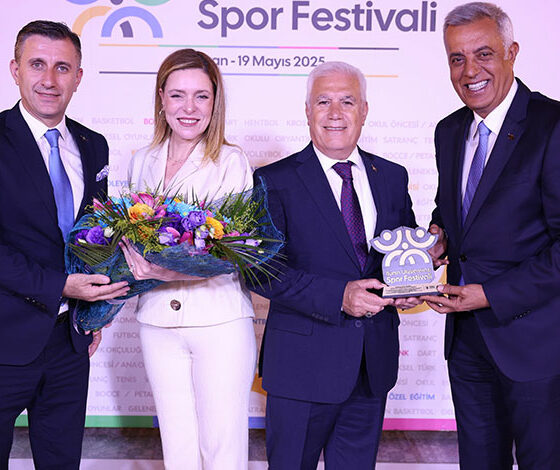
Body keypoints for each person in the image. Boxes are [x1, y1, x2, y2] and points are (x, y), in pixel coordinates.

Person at [250, 61, 420, 470]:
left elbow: (402, 252)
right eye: (323, 101)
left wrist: (409, 285)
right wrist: (338, 296)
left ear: (364, 110)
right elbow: (260, 269)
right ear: (307, 111)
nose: (335, 113)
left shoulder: (391, 176)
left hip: (371, 366)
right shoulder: (273, 180)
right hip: (300, 368)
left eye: (347, 101)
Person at [422, 3, 560, 469]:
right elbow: (455, 210)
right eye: (456, 59)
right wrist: (438, 236)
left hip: (537, 345)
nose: (470, 71)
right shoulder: (448, 131)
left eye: (483, 54)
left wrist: (491, 295)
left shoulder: (552, 126)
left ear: (511, 52)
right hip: (466, 345)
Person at [0, 20, 129, 469]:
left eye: (62, 67)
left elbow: (94, 237)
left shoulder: (94, 145)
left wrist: (93, 312)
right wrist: (60, 286)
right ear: (15, 70)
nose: (49, 80)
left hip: (69, 344)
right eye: (37, 64)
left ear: (78, 76)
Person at [120, 48, 256, 470]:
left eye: (201, 96)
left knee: (222, 448)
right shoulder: (140, 161)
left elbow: (230, 252)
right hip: (156, 321)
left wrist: (162, 270)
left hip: (219, 321)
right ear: (161, 99)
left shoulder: (231, 161)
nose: (189, 108)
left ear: (216, 102)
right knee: (177, 448)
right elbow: (129, 240)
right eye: (178, 95)